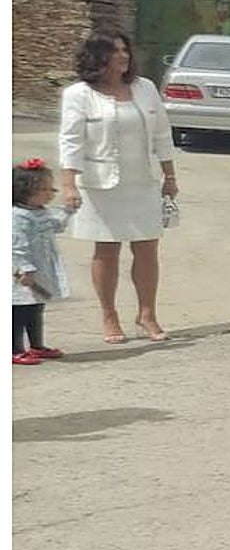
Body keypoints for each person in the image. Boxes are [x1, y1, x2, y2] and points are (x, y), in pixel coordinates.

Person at [57, 30, 177, 345]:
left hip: (143, 181)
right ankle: (109, 315)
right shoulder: (79, 94)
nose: (122, 56)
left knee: (147, 248)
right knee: (107, 250)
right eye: (114, 51)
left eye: (125, 50)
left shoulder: (145, 88)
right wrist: (69, 183)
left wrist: (170, 177)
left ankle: (147, 314)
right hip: (101, 184)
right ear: (97, 57)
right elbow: (71, 141)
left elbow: (163, 134)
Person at [13, 159, 70, 364]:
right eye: (43, 189)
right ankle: (14, 348)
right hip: (20, 274)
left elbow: (55, 226)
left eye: (50, 188)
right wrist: (25, 268)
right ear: (24, 191)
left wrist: (68, 211)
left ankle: (37, 345)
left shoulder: (40, 212)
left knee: (35, 308)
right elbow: (16, 247)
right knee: (17, 310)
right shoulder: (17, 216)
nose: (49, 193)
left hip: (39, 268)